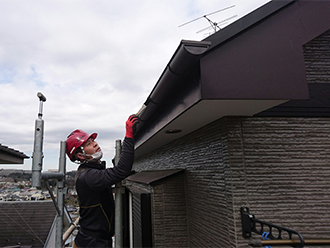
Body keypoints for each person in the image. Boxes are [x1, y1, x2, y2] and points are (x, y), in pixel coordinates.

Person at [66, 114, 138, 248]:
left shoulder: (90, 172)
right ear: (81, 155)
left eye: (93, 140)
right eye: (88, 144)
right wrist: (129, 135)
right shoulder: (88, 176)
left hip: (92, 239)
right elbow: (121, 171)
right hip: (92, 243)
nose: (95, 144)